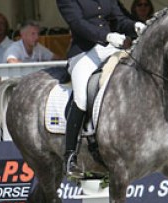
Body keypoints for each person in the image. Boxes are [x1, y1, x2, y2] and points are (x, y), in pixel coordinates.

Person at [56, 0, 146, 178]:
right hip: (83, 52)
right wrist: (106, 36)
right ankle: (70, 156)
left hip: (110, 48)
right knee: (81, 97)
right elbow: (78, 24)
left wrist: (134, 25)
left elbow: (119, 19)